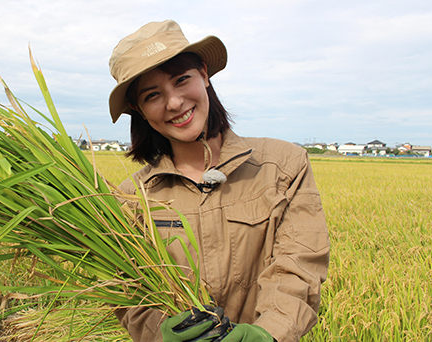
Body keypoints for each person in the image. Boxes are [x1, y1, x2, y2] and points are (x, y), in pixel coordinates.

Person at [107, 20, 329, 342]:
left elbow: (299, 266)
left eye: (182, 80)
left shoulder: (282, 165)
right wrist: (160, 334)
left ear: (204, 74)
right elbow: (131, 296)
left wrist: (267, 334)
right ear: (138, 110)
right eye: (153, 95)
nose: (174, 102)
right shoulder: (132, 198)